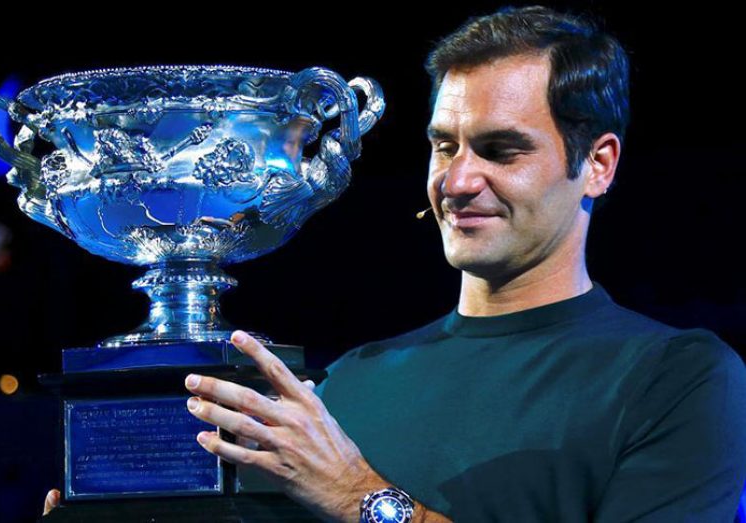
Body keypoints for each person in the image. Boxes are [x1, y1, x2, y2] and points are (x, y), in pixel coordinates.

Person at [45, 5, 746, 522]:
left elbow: (352, 492)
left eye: (501, 150)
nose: (458, 179)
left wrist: (361, 497)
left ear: (597, 164)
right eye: (445, 146)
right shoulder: (344, 386)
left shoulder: (678, 377)